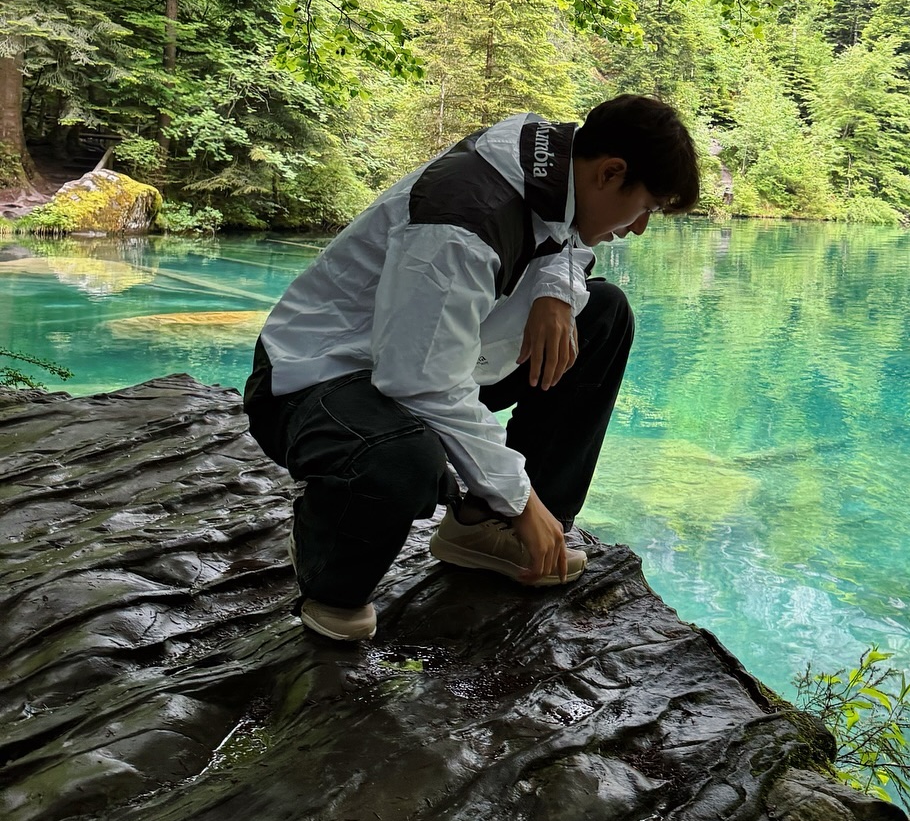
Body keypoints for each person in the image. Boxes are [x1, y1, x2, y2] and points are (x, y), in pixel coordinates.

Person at [243, 96, 701, 642]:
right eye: (646, 207)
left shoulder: (549, 162)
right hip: (318, 379)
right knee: (403, 462)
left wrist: (555, 293)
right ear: (611, 172)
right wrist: (521, 497)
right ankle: (329, 568)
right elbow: (419, 381)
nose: (641, 227)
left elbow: (565, 238)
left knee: (601, 315)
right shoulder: (461, 221)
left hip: (416, 358)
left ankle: (485, 528)